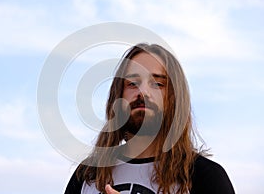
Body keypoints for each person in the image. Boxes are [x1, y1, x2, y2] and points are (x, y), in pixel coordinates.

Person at [64, 43, 235, 194]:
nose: (143, 92)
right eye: (132, 83)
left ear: (175, 99)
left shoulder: (205, 176)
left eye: (158, 84)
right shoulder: (88, 174)